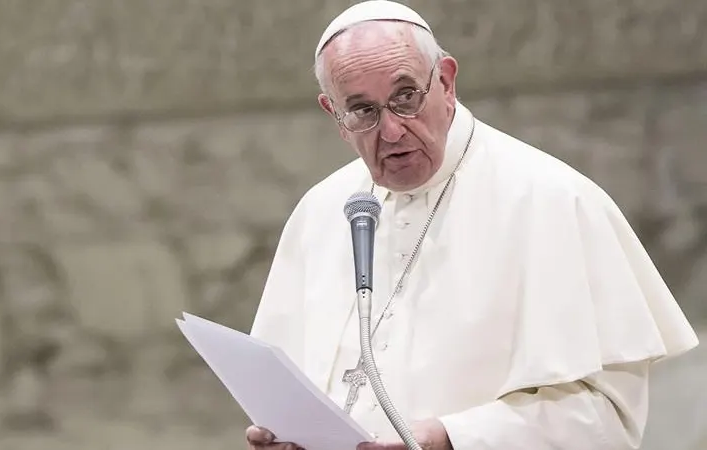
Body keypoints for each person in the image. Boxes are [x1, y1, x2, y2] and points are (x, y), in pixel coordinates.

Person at [245, 1, 700, 449]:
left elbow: (607, 421)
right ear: (334, 115)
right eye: (363, 110)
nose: (392, 132)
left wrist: (453, 438)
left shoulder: (552, 200)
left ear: (445, 81)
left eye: (406, 97)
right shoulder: (322, 210)